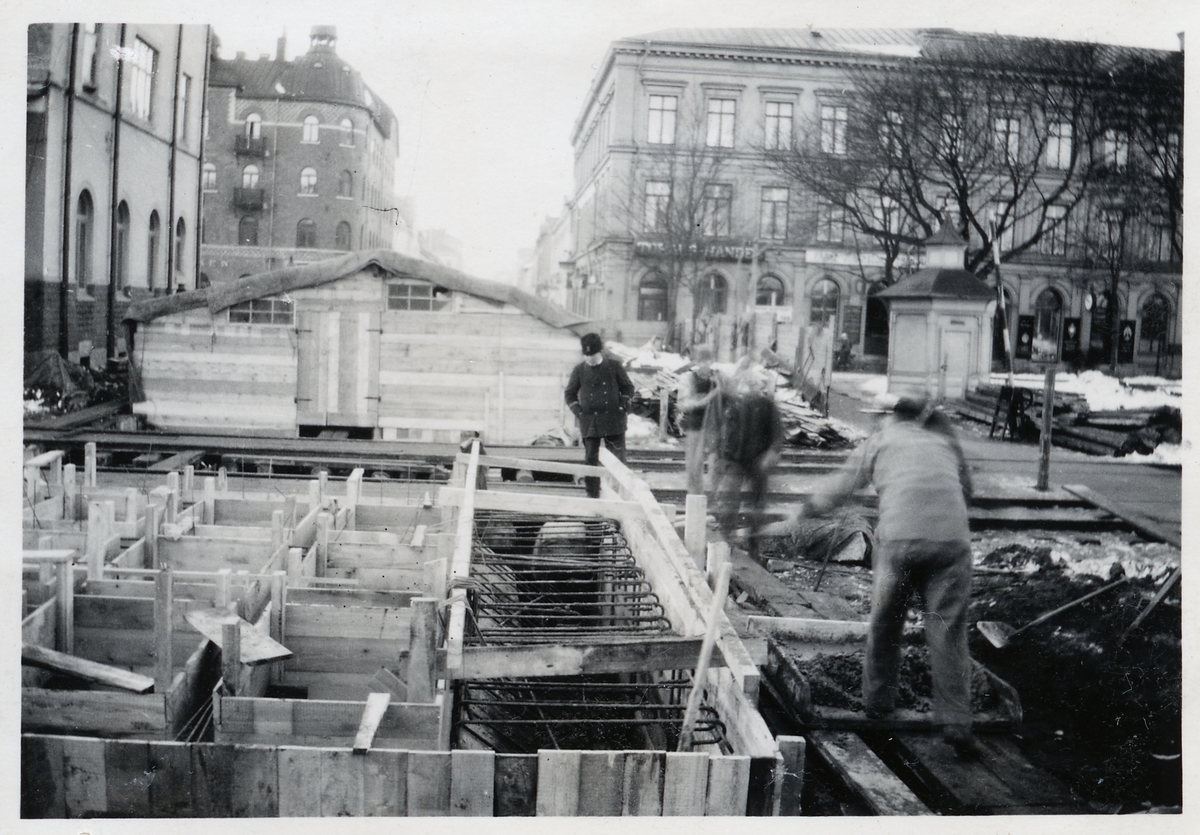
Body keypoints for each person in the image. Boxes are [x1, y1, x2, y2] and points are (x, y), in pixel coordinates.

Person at [772, 396, 981, 758]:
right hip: (951, 543)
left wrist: (808, 508)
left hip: (900, 540)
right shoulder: (942, 442)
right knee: (947, 632)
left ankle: (878, 702)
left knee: (886, 621)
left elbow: (840, 488)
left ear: (891, 418)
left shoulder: (880, 441)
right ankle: (956, 722)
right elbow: (968, 491)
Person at [711, 359, 783, 554]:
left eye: (752, 385)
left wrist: (772, 453)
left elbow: (778, 435)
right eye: (744, 384)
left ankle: (753, 545)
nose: (747, 389)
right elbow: (720, 431)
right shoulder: (730, 404)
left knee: (757, 505)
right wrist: (717, 455)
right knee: (728, 499)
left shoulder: (767, 406)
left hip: (758, 461)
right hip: (734, 459)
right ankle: (726, 541)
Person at [564, 332, 635, 498]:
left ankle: (619, 495)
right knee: (591, 460)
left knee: (618, 460)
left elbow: (628, 387)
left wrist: (622, 405)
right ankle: (592, 495)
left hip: (614, 421)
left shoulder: (614, 366)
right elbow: (569, 394)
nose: (590, 359)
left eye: (593, 356)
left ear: (600, 352)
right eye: (586, 356)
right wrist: (579, 412)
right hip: (590, 422)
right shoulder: (579, 370)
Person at [676, 346, 720, 495]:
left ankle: (715, 495)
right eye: (701, 360)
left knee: (718, 463)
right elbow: (683, 404)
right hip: (695, 426)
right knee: (694, 465)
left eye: (707, 360)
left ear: (712, 360)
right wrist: (706, 399)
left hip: (715, 426)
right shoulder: (688, 378)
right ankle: (695, 495)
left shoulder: (719, 377)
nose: (704, 364)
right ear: (696, 361)